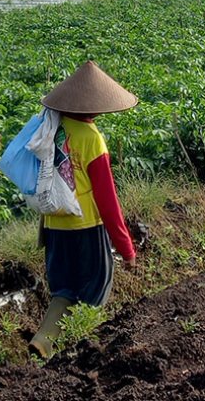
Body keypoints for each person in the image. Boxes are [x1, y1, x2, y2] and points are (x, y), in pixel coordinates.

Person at [29, 61, 138, 359]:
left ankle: (43, 340)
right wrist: (125, 248)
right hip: (87, 229)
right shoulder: (92, 140)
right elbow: (108, 201)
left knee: (63, 290)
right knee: (95, 290)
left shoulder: (49, 129)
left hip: (53, 228)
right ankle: (81, 354)